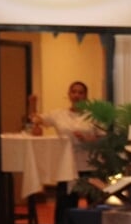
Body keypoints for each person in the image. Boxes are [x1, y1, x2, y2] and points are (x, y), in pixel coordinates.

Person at [42, 80, 99, 208]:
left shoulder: (93, 116)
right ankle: (66, 222)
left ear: (86, 96)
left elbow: (104, 138)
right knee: (66, 203)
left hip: (89, 164)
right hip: (66, 165)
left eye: (80, 93)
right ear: (69, 94)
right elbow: (37, 119)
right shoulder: (58, 114)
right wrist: (32, 104)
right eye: (74, 92)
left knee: (94, 203)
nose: (76, 95)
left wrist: (88, 139)